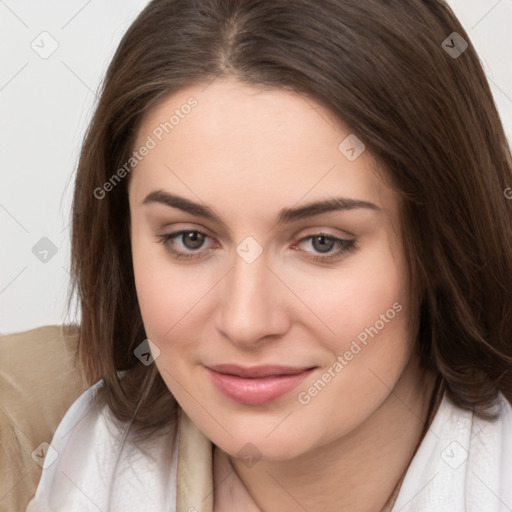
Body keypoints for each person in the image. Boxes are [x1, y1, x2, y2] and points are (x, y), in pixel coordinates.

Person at [26, 0, 512, 510]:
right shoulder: (38, 457)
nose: (245, 322)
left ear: (439, 245)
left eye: (322, 242)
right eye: (189, 238)